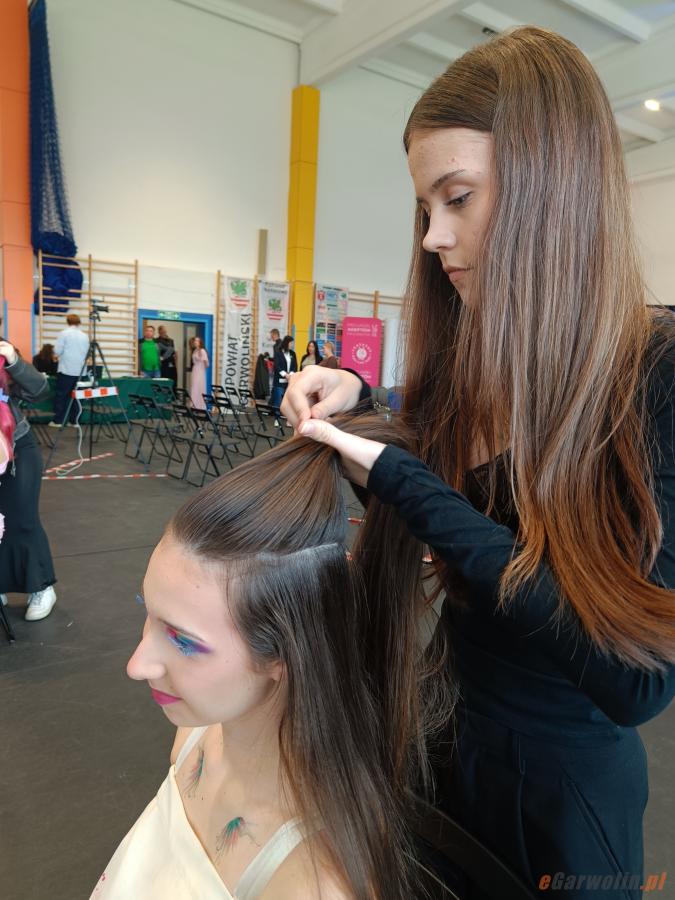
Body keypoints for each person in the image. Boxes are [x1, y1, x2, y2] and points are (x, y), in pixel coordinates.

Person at [283, 27, 675, 900]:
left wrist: (405, 483)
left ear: (553, 187)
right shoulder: (475, 361)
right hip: (447, 754)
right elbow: (455, 509)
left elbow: (636, 679)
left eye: (457, 198)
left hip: (561, 809)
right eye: (425, 208)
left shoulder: (656, 377)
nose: (432, 236)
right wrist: (360, 406)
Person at [89, 415, 453, 899]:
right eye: (148, 614)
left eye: (183, 641)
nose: (137, 665)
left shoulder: (312, 885)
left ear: (283, 653)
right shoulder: (195, 737)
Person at [0, 341, 58, 621]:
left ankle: (42, 587)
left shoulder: (3, 354)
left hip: (17, 450)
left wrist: (12, 360)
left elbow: (39, 390)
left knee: (23, 519)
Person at [51, 314, 89, 426]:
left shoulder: (64, 333)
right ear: (79, 322)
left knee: (61, 396)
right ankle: (75, 421)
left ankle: (58, 421)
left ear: (67, 322)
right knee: (77, 397)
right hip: (81, 370)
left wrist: (55, 356)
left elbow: (58, 350)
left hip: (66, 369)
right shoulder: (85, 336)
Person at [271, 336, 297, 415]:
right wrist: (285, 374)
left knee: (287, 402)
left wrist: (290, 375)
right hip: (279, 382)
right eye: (291, 343)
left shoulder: (293, 353)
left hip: (289, 381)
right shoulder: (278, 352)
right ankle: (277, 418)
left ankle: (286, 417)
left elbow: (295, 366)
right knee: (278, 401)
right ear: (286, 343)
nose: (292, 345)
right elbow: (277, 366)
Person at [189, 337, 209, 410]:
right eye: (195, 340)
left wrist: (202, 366)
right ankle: (193, 405)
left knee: (197, 387)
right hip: (195, 370)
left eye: (197, 341)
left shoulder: (202, 350)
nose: (195, 342)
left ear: (200, 342)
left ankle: (199, 406)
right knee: (193, 387)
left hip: (200, 370)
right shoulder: (195, 350)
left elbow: (206, 364)